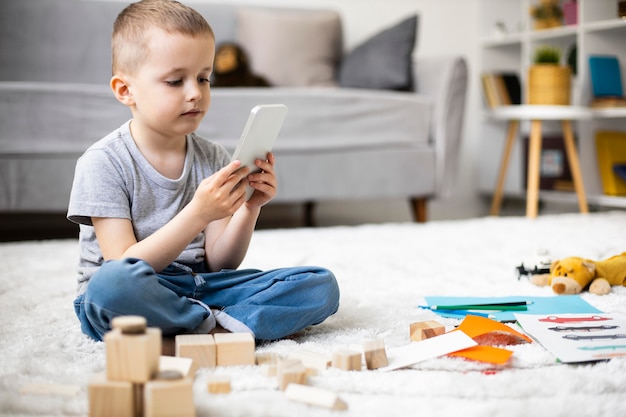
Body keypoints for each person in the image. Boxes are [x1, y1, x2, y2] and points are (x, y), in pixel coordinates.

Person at [67, 0, 339, 342]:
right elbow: (123, 263)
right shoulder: (103, 162)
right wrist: (197, 214)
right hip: (136, 291)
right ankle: (222, 323)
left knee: (319, 284)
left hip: (201, 287)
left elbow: (219, 264)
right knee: (110, 287)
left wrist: (248, 208)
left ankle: (204, 323)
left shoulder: (211, 156)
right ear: (126, 91)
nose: (195, 93)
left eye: (204, 78)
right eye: (175, 81)